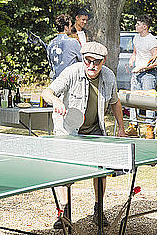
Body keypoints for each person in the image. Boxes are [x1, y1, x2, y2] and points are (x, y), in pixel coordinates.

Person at [42, 42, 126, 230]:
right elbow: (46, 92)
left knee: (101, 172)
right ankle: (64, 212)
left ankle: (99, 208)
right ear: (83, 59)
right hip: (68, 131)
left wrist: (121, 127)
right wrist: (55, 100)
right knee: (64, 172)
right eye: (88, 61)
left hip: (95, 130)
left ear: (103, 61)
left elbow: (115, 101)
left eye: (96, 62)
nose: (91, 66)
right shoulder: (72, 72)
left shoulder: (108, 76)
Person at [125, 15, 157, 139]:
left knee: (148, 101)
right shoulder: (136, 38)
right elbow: (135, 52)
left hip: (148, 74)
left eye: (138, 24)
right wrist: (131, 59)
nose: (136, 26)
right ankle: (133, 126)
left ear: (145, 27)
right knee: (133, 99)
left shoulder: (151, 40)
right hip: (136, 73)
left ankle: (149, 128)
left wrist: (143, 68)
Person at [47, 14, 83, 79]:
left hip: (55, 82)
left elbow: (51, 65)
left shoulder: (50, 44)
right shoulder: (73, 42)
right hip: (70, 81)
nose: (71, 28)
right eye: (70, 26)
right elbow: (82, 61)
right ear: (66, 28)